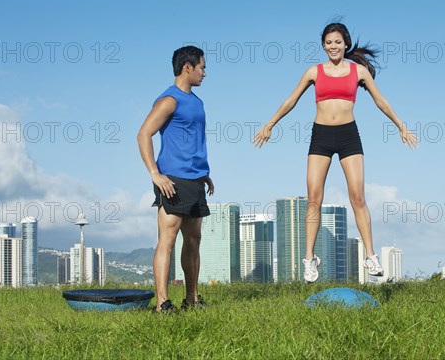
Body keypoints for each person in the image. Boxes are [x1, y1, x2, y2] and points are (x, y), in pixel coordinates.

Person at [254, 23, 418, 283]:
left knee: (358, 196)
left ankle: (371, 256)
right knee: (313, 198)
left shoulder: (359, 71)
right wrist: (270, 125)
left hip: (348, 136)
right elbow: (291, 100)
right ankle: (309, 259)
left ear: (345, 44)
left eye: (338, 42)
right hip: (320, 137)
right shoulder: (314, 72)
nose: (333, 46)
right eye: (329, 42)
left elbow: (380, 100)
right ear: (323, 45)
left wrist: (401, 126)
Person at [137, 46, 214, 312]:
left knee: (193, 240)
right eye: (202, 67)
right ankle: (162, 304)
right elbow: (143, 134)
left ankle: (191, 298)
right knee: (167, 239)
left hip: (194, 179)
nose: (205, 72)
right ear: (187, 67)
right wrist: (155, 174)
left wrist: (204, 175)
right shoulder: (169, 100)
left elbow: (193, 141)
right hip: (172, 180)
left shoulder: (198, 102)